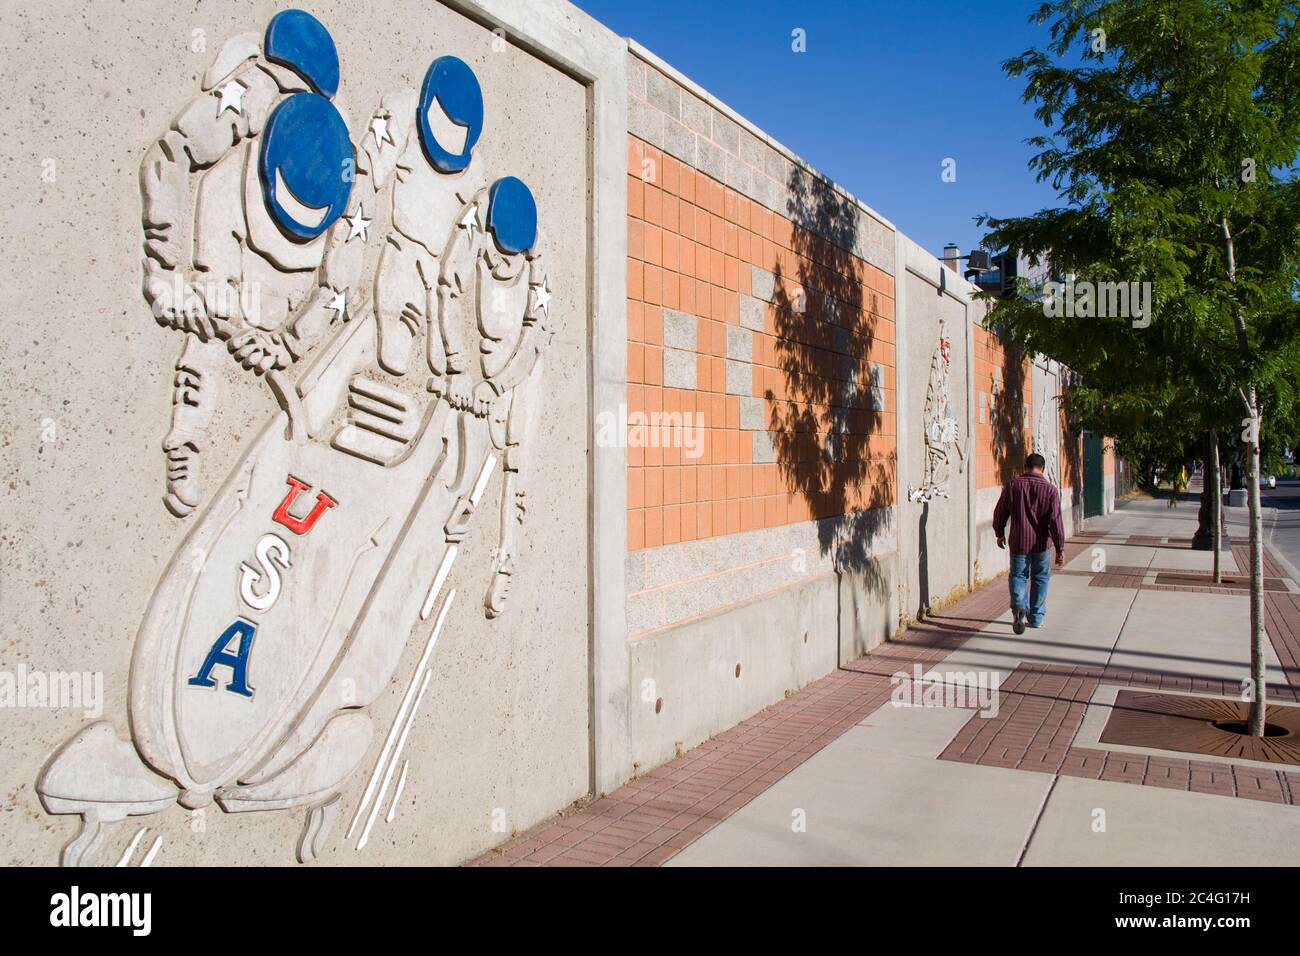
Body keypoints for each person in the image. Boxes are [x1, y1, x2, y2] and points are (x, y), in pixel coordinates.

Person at [994, 452, 1066, 633]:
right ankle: (1036, 618)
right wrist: (1060, 548)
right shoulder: (1050, 490)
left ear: (1025, 467)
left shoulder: (1013, 486)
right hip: (1042, 544)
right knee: (1040, 578)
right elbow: (1056, 521)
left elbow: (1000, 511)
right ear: (1042, 468)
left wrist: (999, 532)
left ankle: (1019, 604)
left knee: (1018, 575)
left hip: (1019, 541)